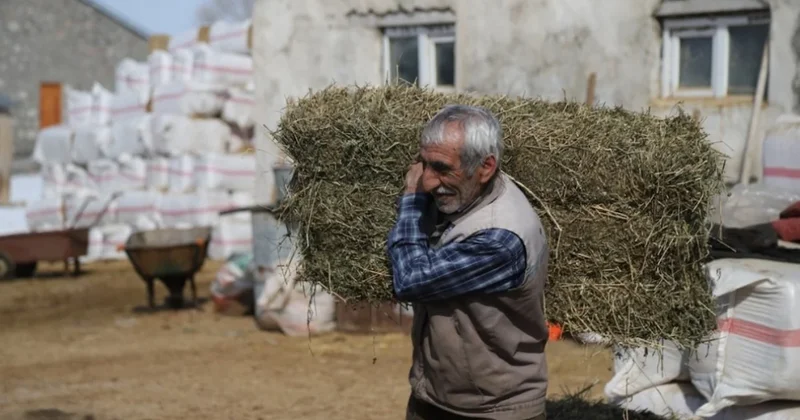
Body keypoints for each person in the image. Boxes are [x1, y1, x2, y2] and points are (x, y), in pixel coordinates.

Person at [387, 105, 550, 420]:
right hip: (433, 400)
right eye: (424, 164)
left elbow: (409, 278)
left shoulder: (502, 238)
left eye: (442, 168)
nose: (429, 182)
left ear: (486, 167)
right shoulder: (468, 194)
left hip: (491, 411)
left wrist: (412, 200)